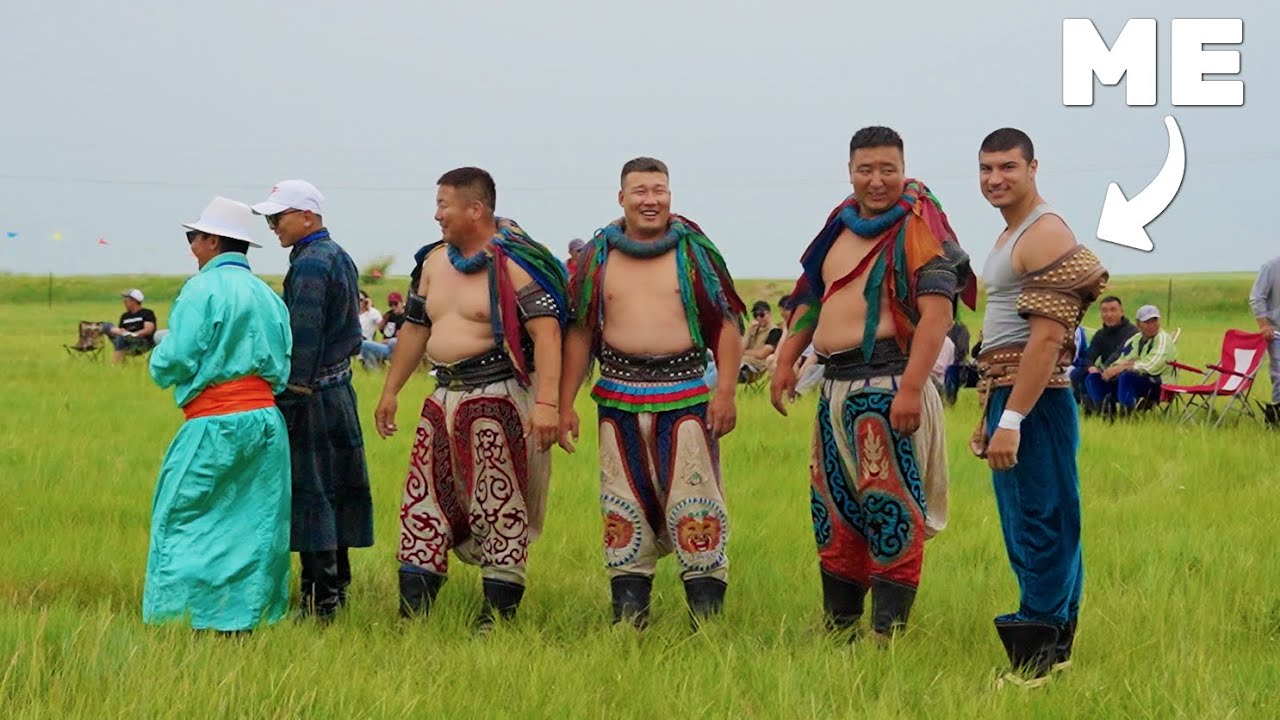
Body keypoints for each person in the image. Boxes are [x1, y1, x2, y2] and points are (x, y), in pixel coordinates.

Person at [770, 126, 975, 642]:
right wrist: (786, 360)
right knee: (834, 512)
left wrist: (910, 389)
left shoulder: (919, 227)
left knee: (891, 511)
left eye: (888, 169)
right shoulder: (837, 227)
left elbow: (937, 315)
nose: (877, 180)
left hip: (889, 384)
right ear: (850, 171)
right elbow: (811, 299)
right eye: (866, 169)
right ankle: (840, 630)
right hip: (834, 389)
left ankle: (887, 637)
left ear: (903, 169)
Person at [373, 167, 567, 630]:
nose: (436, 214)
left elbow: (547, 333)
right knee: (423, 501)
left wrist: (547, 405)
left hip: (499, 398)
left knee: (500, 505)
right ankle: (412, 618)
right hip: (441, 398)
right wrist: (390, 390)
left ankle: (495, 620)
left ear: (475, 210)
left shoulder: (515, 262)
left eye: (444, 204)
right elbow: (415, 329)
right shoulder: (434, 262)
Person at [559, 156, 746, 629]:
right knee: (621, 506)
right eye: (640, 191)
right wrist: (563, 404)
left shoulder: (694, 252)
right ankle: (629, 622)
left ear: (670, 195)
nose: (650, 200)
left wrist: (725, 391)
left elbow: (725, 322)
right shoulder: (597, 256)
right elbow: (581, 332)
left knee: (696, 503)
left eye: (659, 190)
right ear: (621, 197)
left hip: (686, 395)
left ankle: (706, 624)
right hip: (616, 397)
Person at [971, 128, 1109, 686]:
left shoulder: (1043, 232)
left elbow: (1048, 340)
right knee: (1047, 516)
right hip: (1016, 392)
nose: (995, 178)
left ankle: (1034, 666)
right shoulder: (1011, 233)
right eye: (986, 169)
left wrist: (1012, 419)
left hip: (1033, 398)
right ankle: (1058, 650)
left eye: (1008, 166)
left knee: (1038, 521)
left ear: (1033, 167)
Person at [144, 196, 293, 634]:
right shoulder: (268, 296)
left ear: (212, 241)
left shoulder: (202, 289)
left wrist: (158, 360)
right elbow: (283, 364)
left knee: (182, 516)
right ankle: (247, 618)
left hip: (214, 421)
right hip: (265, 423)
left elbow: (177, 357)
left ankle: (181, 617)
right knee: (255, 524)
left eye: (194, 236)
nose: (191, 245)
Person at [252, 179, 374, 621]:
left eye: (278, 217)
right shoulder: (335, 254)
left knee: (313, 492)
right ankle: (336, 592)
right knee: (336, 491)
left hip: (313, 395)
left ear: (307, 216)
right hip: (338, 389)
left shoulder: (309, 265)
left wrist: (290, 398)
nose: (273, 227)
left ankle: (318, 603)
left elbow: (303, 338)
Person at [1084, 304, 1176, 416]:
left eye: (1154, 321)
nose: (1151, 325)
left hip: (1158, 385)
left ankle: (1128, 415)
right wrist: (1112, 370)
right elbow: (1124, 358)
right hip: (1137, 381)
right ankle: (1106, 413)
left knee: (1127, 377)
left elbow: (1152, 366)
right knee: (1093, 378)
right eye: (1147, 322)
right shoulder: (1135, 339)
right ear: (1138, 324)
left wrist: (1124, 367)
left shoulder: (1163, 339)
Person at [1069, 296, 1137, 413]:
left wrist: (1105, 368)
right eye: (1104, 311)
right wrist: (1090, 367)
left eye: (1113, 310)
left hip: (1125, 370)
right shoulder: (1100, 334)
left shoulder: (1132, 332)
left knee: (1121, 376)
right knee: (1078, 373)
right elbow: (1088, 356)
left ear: (1122, 312)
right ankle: (1092, 406)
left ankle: (1125, 410)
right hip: (1105, 372)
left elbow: (1118, 354)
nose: (1109, 315)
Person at [1249, 255, 1280, 426]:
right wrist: (1264, 325)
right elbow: (1257, 297)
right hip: (1276, 332)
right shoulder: (1271, 267)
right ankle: (1276, 418)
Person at [100, 289, 157, 363]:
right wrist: (123, 333)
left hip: (142, 342)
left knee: (120, 338)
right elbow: (121, 330)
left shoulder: (147, 313)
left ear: (134, 301)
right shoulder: (125, 316)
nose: (124, 301)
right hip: (126, 340)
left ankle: (116, 365)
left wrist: (133, 334)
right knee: (106, 325)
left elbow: (148, 330)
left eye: (126, 299)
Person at [740, 300, 782, 383]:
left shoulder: (775, 331)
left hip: (755, 367)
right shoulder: (753, 329)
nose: (758, 318)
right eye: (755, 315)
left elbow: (762, 354)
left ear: (769, 314)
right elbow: (740, 349)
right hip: (742, 362)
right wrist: (748, 332)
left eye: (762, 315)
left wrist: (744, 352)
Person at [360, 291, 405, 369]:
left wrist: (385, 341)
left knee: (393, 341)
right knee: (364, 344)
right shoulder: (389, 315)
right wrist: (384, 321)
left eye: (396, 304)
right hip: (387, 347)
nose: (393, 307)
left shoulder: (406, 317)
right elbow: (381, 329)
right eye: (391, 304)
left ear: (401, 303)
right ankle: (376, 369)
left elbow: (402, 337)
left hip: (398, 347)